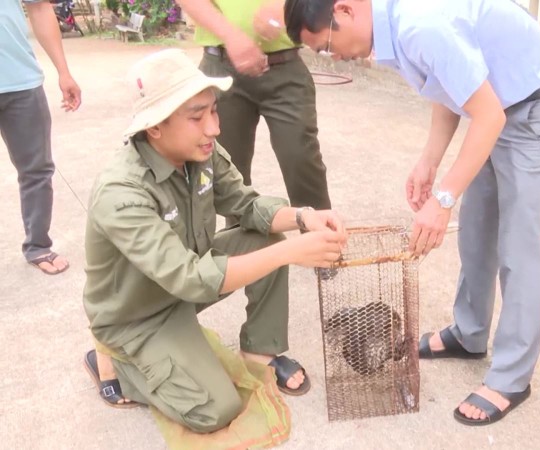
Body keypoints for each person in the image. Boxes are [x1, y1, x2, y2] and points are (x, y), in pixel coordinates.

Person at [284, 0, 540, 426]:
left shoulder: (418, 25)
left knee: (518, 244)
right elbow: (452, 89)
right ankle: (469, 334)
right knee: (475, 231)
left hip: (531, 110)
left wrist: (442, 200)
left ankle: (512, 377)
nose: (334, 56)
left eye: (327, 45)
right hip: (495, 107)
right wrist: (429, 162)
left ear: (343, 11)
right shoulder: (394, 30)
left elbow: (486, 114)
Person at [81, 48, 347, 432]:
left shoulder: (200, 151)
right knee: (214, 411)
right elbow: (188, 277)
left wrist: (305, 217)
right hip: (136, 316)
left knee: (268, 237)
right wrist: (294, 250)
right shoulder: (121, 193)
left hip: (184, 289)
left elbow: (246, 205)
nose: (213, 128)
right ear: (155, 126)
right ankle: (114, 362)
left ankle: (259, 352)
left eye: (214, 110)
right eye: (197, 117)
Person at [175, 0, 331, 222]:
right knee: (228, 172)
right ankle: (242, 246)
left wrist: (285, 6)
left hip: (286, 65)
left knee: (302, 162)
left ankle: (323, 246)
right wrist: (230, 35)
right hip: (221, 65)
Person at [1, 0, 81, 275]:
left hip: (21, 83)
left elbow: (39, 8)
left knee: (37, 170)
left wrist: (64, 71)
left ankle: (37, 245)